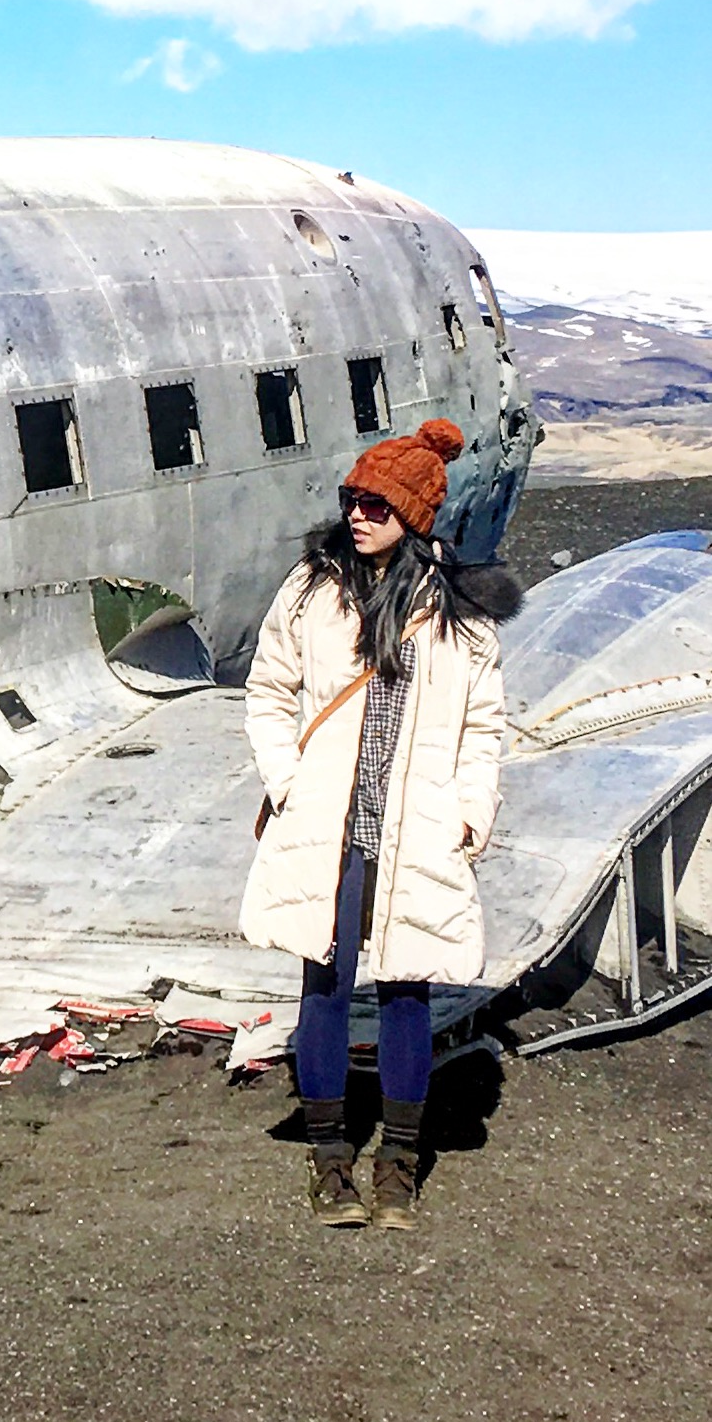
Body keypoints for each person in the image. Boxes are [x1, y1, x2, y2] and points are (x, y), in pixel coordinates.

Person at [239, 418, 519, 1229]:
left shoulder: (458, 614)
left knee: (406, 993)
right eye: (352, 499)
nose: (357, 515)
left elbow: (483, 727)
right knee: (322, 985)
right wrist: (287, 780)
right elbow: (267, 691)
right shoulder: (312, 590)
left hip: (417, 829)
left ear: (415, 516)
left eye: (376, 504)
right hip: (329, 825)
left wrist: (471, 812)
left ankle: (398, 1161)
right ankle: (331, 1163)